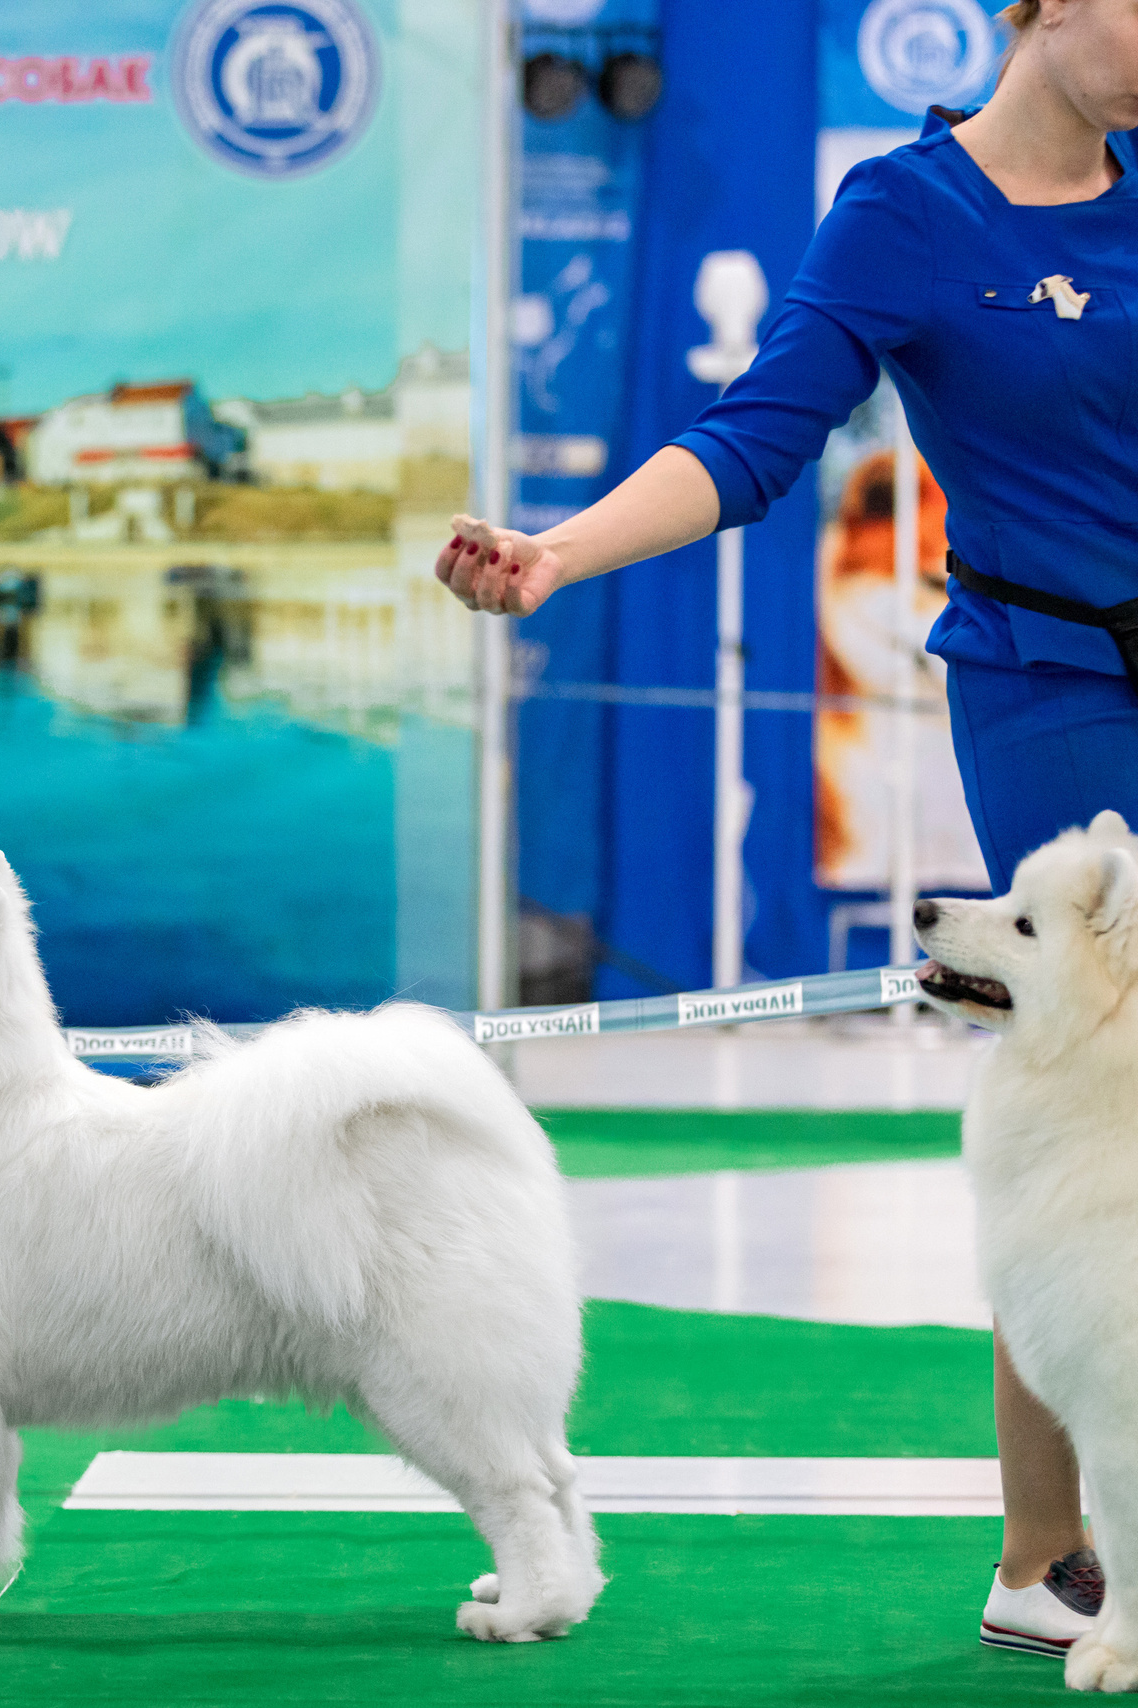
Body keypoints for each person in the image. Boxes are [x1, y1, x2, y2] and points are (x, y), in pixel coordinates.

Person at [438, 0, 1125, 1660]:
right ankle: (1048, 1556)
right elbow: (754, 441)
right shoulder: (907, 209)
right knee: (1087, 1111)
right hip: (1053, 692)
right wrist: (560, 552)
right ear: (1039, 6)